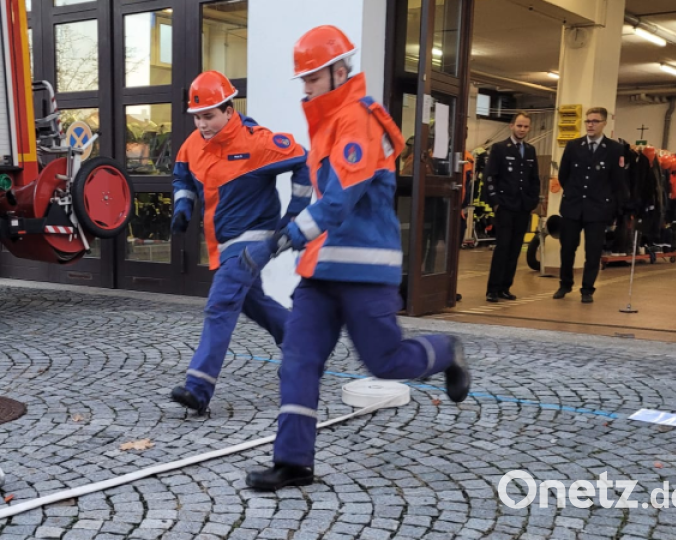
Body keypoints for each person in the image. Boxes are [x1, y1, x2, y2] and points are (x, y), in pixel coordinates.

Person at [240, 26, 471, 491]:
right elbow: (314, 192)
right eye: (302, 79)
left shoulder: (358, 120)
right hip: (321, 272)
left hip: (365, 270)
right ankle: (293, 462)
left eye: (312, 78)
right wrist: (282, 231)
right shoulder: (325, 122)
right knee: (299, 360)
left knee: (385, 362)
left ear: (339, 71)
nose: (305, 87)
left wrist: (282, 240)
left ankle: (447, 352)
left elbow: (342, 198)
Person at [170, 70, 312, 415]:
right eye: (198, 116)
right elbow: (182, 175)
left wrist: (293, 216)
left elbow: (305, 162)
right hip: (222, 242)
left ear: (229, 109)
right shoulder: (193, 145)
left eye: (209, 115)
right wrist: (183, 205)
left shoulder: (258, 142)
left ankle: (199, 388)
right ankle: (301, 346)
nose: (203, 124)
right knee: (252, 301)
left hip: (254, 240)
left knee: (220, 304)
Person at [554, 107, 628, 303]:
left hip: (598, 209)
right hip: (572, 206)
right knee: (567, 248)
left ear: (604, 123)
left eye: (595, 121)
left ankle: (587, 289)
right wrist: (572, 193)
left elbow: (617, 181)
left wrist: (613, 208)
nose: (590, 125)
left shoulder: (614, 149)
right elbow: (563, 175)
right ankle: (565, 284)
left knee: (593, 251)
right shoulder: (573, 146)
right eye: (588, 121)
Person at [483, 111, 540, 302]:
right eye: (519, 126)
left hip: (523, 208)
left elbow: (534, 179)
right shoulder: (499, 148)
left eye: (525, 126)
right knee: (503, 247)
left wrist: (533, 202)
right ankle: (493, 289)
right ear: (511, 126)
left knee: (515, 249)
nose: (522, 129)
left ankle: (505, 287)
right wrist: (496, 204)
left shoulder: (530, 150)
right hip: (505, 207)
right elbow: (490, 177)